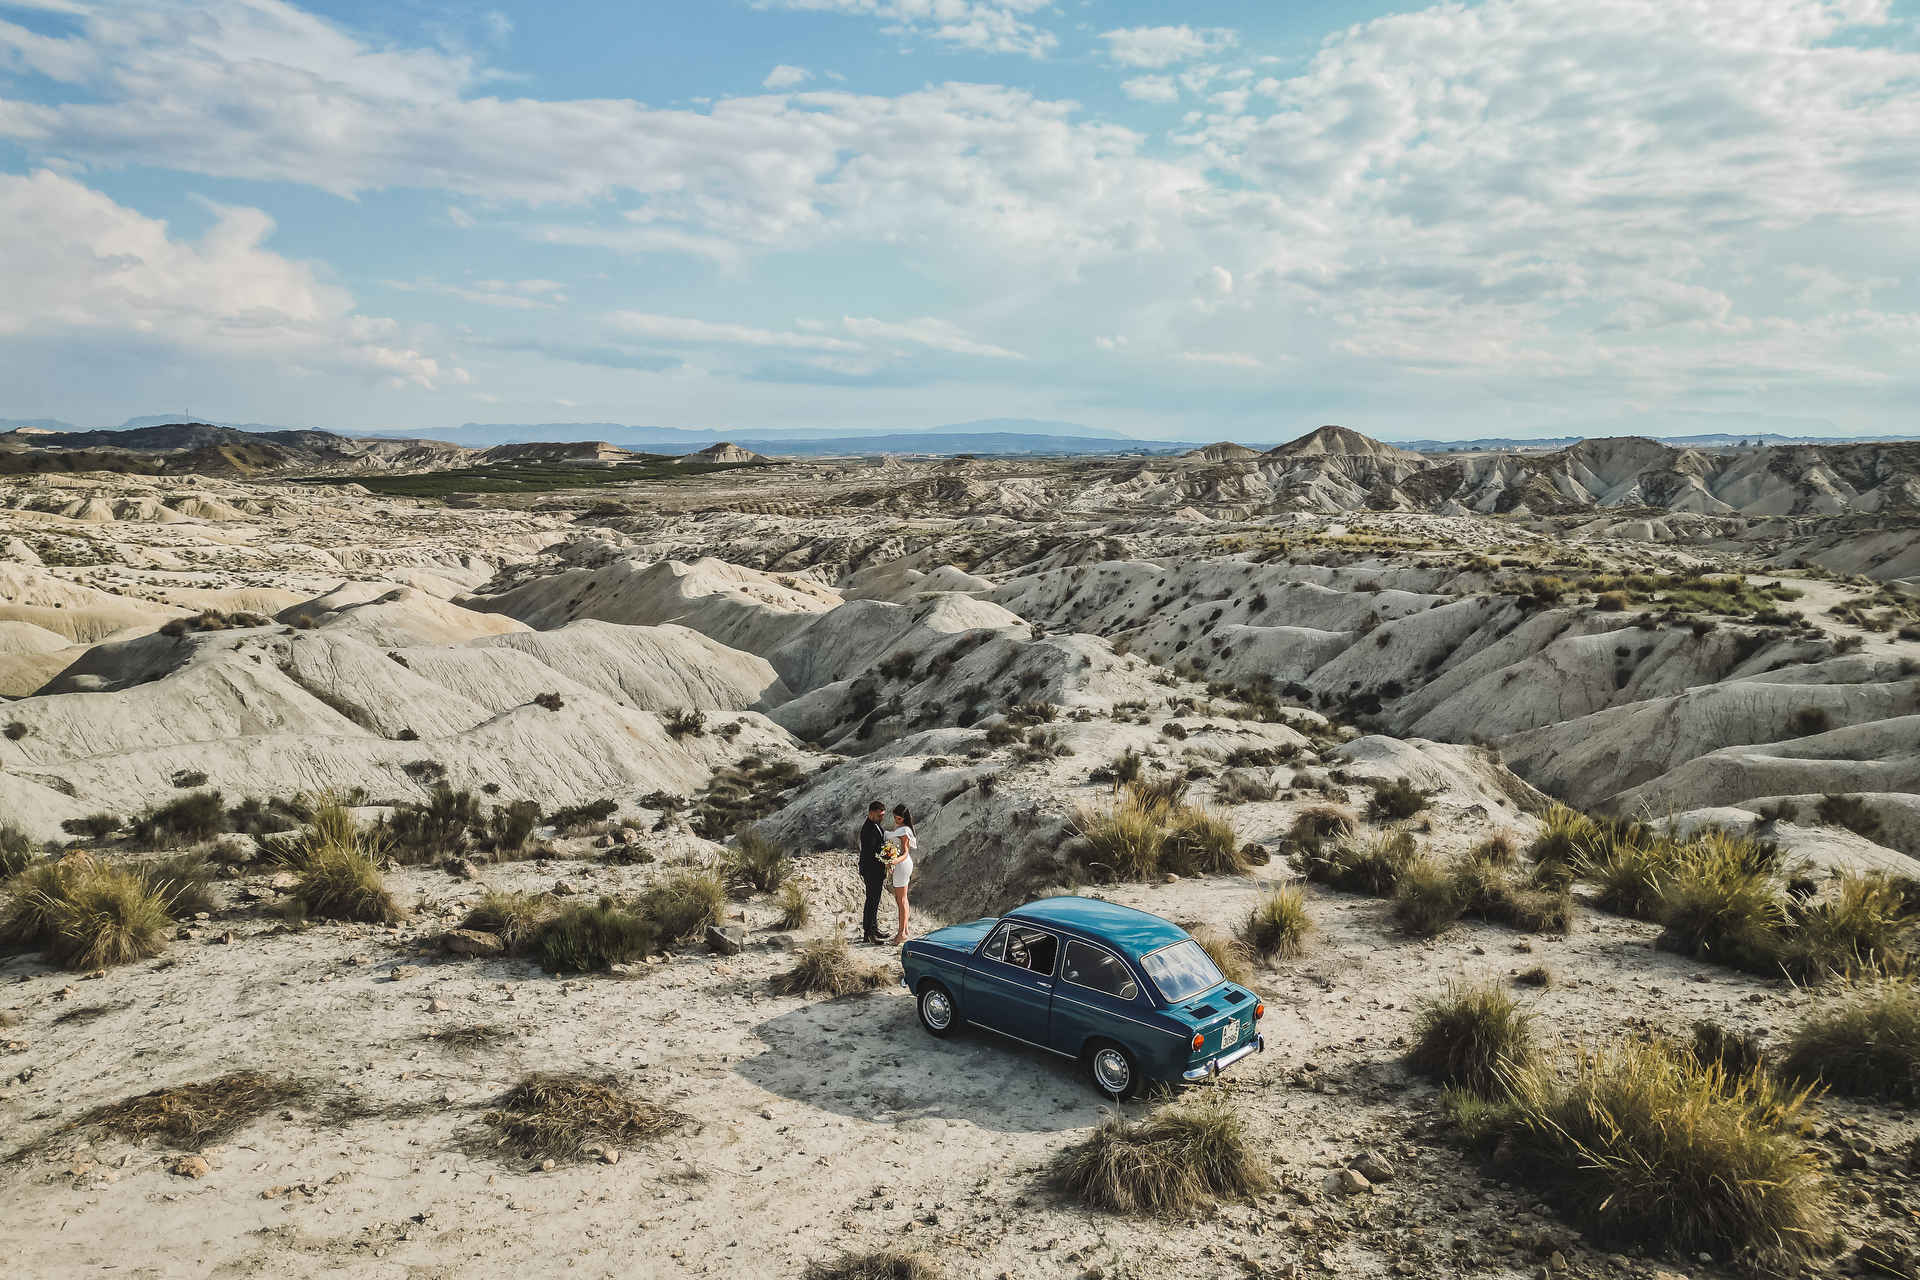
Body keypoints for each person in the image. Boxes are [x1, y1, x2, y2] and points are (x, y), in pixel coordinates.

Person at [857, 799, 887, 945]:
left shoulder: (876, 825)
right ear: (871, 813)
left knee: (875, 900)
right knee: (871, 901)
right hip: (871, 870)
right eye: (879, 815)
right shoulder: (867, 829)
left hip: (877, 869)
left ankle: (874, 928)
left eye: (883, 815)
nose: (882, 818)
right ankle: (868, 933)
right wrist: (886, 855)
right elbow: (871, 851)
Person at [886, 804, 917, 945]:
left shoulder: (904, 830)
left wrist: (894, 861)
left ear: (905, 818)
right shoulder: (900, 828)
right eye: (895, 817)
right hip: (900, 864)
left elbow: (905, 852)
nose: (896, 820)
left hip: (902, 864)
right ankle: (905, 930)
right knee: (903, 899)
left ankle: (901, 934)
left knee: (901, 900)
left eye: (899, 818)